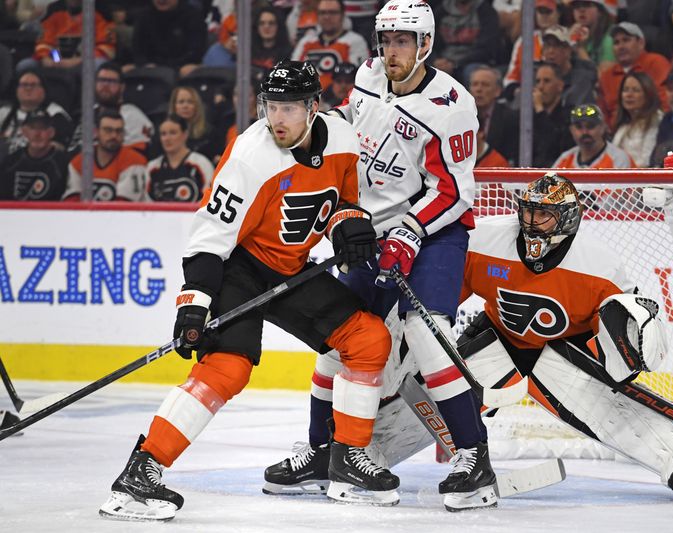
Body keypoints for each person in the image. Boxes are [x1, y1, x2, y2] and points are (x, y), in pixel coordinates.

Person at [99, 60, 399, 521]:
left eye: (289, 109)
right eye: (271, 107)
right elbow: (208, 238)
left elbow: (343, 200)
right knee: (228, 367)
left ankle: (347, 464)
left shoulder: (341, 138)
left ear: (314, 107)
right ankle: (142, 473)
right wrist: (195, 304)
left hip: (292, 268)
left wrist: (349, 225)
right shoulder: (249, 156)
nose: (277, 119)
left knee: (368, 339)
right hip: (238, 268)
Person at [264, 0, 497, 512]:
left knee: (424, 331)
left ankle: (474, 457)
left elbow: (454, 192)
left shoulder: (451, 105)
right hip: (370, 231)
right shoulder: (368, 76)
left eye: (402, 41)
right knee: (339, 334)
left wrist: (411, 232)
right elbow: (350, 126)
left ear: (426, 45)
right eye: (386, 39)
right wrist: (312, 129)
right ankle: (324, 451)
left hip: (435, 233)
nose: (391, 51)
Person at [456, 171, 673, 502]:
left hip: (561, 346)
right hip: (497, 335)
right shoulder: (482, 239)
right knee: (442, 387)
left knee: (604, 404)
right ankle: (381, 450)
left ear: (567, 218)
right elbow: (443, 298)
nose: (531, 223)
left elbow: (618, 335)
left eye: (543, 215)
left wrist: (626, 348)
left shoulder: (599, 268)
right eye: (528, 212)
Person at [67, 62, 154, 155]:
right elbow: (73, 150)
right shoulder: (89, 114)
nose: (105, 85)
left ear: (122, 87)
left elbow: (140, 153)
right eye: (101, 80)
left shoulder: (132, 115)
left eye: (111, 81)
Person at [63, 109, 147, 201]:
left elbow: (124, 206)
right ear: (96, 132)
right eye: (108, 130)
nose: (114, 135)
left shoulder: (134, 160)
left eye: (119, 131)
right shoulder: (78, 162)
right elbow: (71, 202)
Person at [597, 22, 670, 126]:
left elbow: (666, 101)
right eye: (616, 42)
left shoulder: (656, 63)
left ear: (641, 43)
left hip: (653, 126)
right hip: (616, 134)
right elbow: (603, 112)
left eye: (626, 40)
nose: (621, 46)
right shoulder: (607, 76)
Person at [291, 0, 369, 91]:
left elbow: (355, 79)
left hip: (340, 101)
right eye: (322, 13)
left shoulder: (355, 42)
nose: (327, 17)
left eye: (332, 12)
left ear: (342, 15)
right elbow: (293, 73)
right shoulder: (306, 42)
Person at [26, 0, 116, 72]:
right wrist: (51, 59)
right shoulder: (55, 9)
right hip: (57, 62)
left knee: (99, 63)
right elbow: (46, 42)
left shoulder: (102, 10)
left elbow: (106, 49)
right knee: (27, 65)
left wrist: (77, 61)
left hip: (86, 63)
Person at [0, 69, 73, 154]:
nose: (28, 89)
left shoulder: (55, 113)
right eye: (24, 85)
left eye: (33, 85)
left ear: (43, 90)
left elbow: (61, 146)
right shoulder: (4, 112)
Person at [0, 111, 69, 201]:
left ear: (51, 132)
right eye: (33, 128)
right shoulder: (10, 162)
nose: (37, 134)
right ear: (24, 131)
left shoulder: (63, 163)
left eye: (43, 128)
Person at [145, 114, 215, 202]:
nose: (167, 138)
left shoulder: (201, 164)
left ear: (185, 134)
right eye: (163, 134)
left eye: (173, 133)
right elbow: (148, 203)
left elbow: (209, 200)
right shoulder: (152, 168)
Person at [129, 0, 207, 77]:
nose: (162, 0)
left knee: (188, 70)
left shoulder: (193, 16)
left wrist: (167, 67)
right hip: (150, 66)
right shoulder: (144, 16)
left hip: (180, 66)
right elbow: (137, 49)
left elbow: (195, 52)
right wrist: (145, 64)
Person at [554, 103, 635, 169]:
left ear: (603, 127)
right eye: (579, 127)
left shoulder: (619, 159)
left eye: (590, 126)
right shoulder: (565, 159)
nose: (585, 132)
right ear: (571, 130)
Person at [611, 72, 663, 167]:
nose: (629, 95)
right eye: (625, 90)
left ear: (648, 95)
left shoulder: (657, 120)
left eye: (636, 90)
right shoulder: (623, 125)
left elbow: (647, 161)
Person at [469, 65, 518, 165]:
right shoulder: (460, 117)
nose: (479, 89)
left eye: (485, 85)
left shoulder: (510, 118)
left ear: (497, 91)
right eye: (475, 84)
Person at [531, 62, 574, 167]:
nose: (540, 87)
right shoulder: (529, 116)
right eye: (538, 81)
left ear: (560, 86)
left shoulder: (569, 114)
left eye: (546, 81)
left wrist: (540, 110)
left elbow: (553, 144)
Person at [251, 5, 294, 71]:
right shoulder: (249, 51)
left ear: (278, 26)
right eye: (262, 23)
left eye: (271, 23)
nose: (266, 27)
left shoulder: (289, 53)